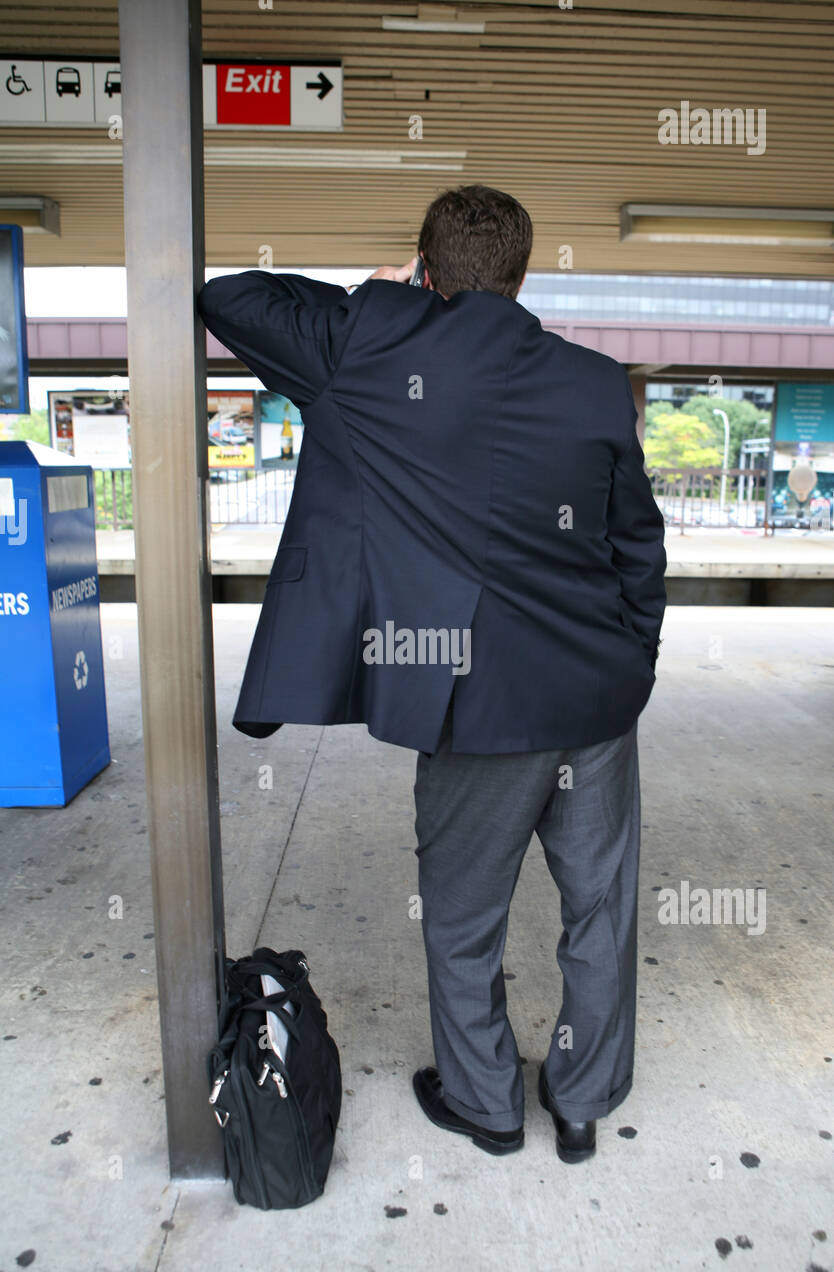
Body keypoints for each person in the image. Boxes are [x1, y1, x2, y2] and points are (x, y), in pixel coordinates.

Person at [197, 184, 667, 1165]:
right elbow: (637, 544)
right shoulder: (593, 381)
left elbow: (229, 297)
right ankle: (581, 1101)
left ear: (425, 266)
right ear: (525, 273)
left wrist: (376, 293)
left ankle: (486, 1103)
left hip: (470, 705)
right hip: (594, 702)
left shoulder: (371, 345)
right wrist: (633, 663)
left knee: (461, 918)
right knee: (601, 910)